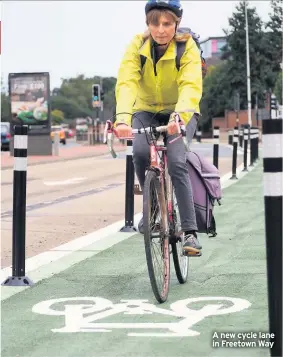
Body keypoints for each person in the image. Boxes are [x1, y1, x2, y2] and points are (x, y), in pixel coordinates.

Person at [114, 0, 203, 256]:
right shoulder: (136, 45)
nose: (161, 29)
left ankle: (190, 232)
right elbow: (127, 81)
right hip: (146, 109)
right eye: (155, 23)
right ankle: (152, 208)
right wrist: (122, 118)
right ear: (147, 23)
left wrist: (180, 116)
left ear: (177, 23)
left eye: (167, 23)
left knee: (176, 162)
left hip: (180, 110)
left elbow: (190, 84)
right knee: (140, 154)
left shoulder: (186, 47)